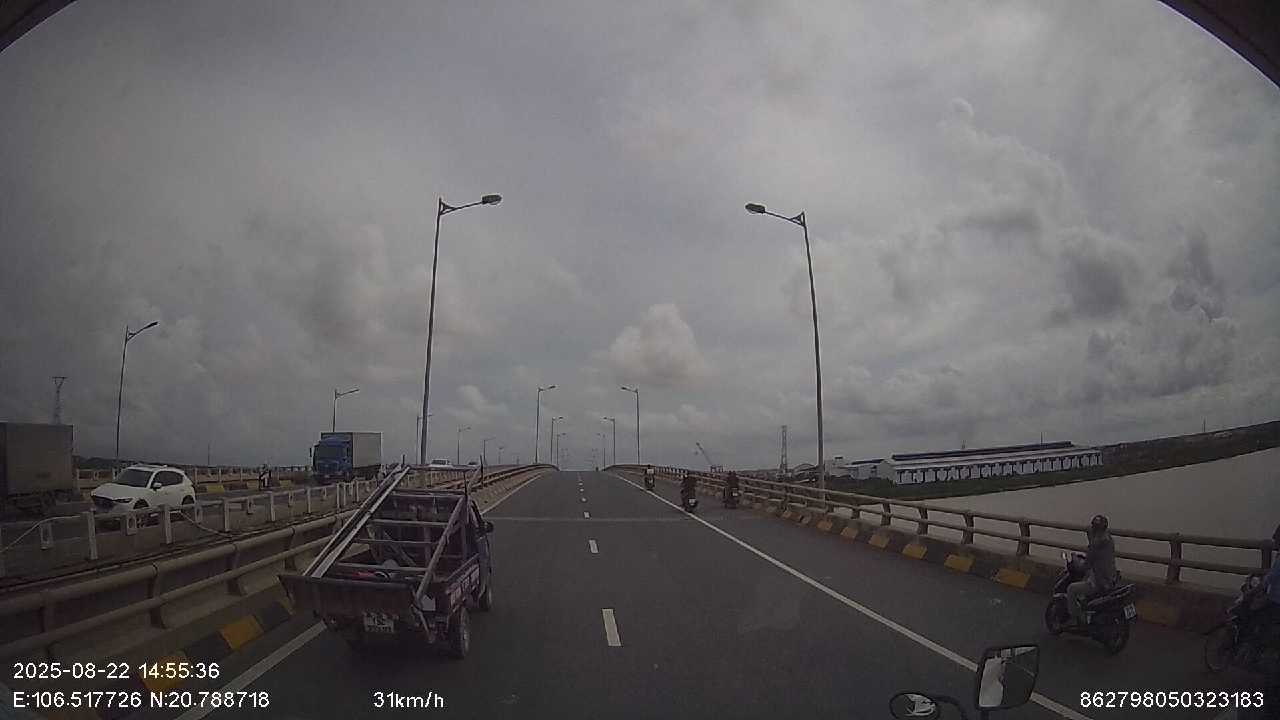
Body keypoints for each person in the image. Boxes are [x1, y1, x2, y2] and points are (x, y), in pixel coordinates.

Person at [1068, 514, 1117, 627]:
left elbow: (1084, 567)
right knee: (1086, 578)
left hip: (1100, 582)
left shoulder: (1095, 545)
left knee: (1071, 589)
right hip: (1111, 578)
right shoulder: (1109, 540)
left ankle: (1079, 618)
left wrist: (1074, 558)